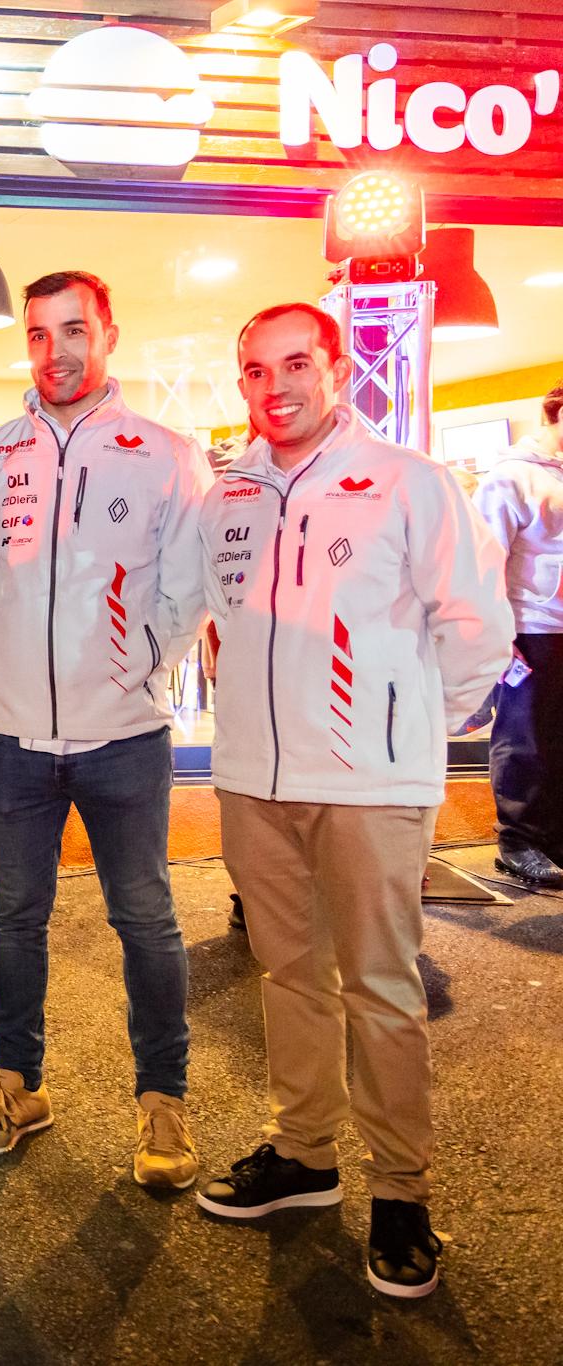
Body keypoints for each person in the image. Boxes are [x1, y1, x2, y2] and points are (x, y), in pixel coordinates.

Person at [194, 303, 513, 1300]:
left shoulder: (407, 482)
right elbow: (218, 622)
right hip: (253, 778)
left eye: (293, 363)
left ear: (334, 370)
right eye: (253, 369)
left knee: (378, 985)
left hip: (368, 784)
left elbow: (474, 626)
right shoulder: (228, 495)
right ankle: (304, 1154)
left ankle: (400, 1192)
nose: (272, 384)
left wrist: (403, 732)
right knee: (286, 974)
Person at [0, 271, 212, 1188]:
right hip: (13, 734)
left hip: (124, 735)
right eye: (38, 334)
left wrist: (141, 665)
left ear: (108, 332)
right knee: (16, 918)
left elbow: (187, 590)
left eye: (73, 330)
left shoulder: (168, 455)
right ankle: (18, 1087)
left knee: (146, 918)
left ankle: (163, 1108)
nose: (54, 351)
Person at [472, 383, 563, 888]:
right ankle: (519, 841)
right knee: (524, 738)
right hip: (529, 626)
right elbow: (484, 560)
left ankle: (553, 838)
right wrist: (495, 632)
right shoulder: (510, 477)